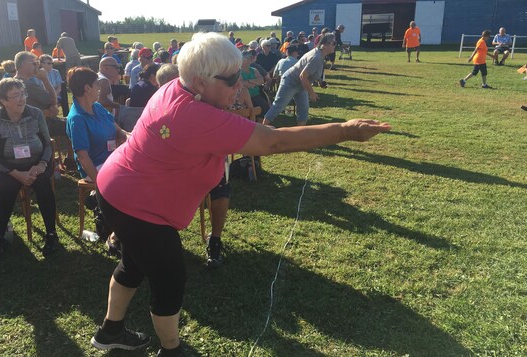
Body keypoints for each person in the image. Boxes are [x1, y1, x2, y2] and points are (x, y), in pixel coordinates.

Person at [88, 32, 391, 355]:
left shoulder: (175, 89)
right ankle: (172, 349)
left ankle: (111, 331)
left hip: (115, 187)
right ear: (200, 81)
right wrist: (345, 131)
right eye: (231, 79)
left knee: (133, 265)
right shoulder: (197, 116)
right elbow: (274, 142)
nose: (239, 85)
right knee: (169, 279)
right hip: (137, 204)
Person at [0, 78, 59, 257]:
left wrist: (41, 164)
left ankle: (51, 234)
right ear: (3, 101)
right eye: (15, 96)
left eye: (22, 94)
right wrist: (15, 173)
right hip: (7, 166)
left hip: (37, 162)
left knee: (43, 185)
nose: (21, 99)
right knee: (7, 189)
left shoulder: (36, 114)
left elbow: (48, 144)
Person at [65, 67, 129, 256]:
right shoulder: (77, 118)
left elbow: (119, 131)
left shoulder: (98, 107)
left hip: (114, 159)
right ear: (87, 88)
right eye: (96, 86)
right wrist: (100, 182)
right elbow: (83, 157)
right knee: (131, 186)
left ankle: (129, 232)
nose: (99, 89)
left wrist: (133, 139)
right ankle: (117, 237)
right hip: (96, 166)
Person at [263, 32, 337, 126]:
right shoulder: (316, 57)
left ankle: (300, 133)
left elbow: (311, 73)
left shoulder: (320, 54)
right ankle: (261, 128)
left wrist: (320, 81)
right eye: (333, 43)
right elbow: (303, 76)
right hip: (290, 82)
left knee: (303, 109)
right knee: (278, 106)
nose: (335, 45)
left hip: (301, 84)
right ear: (324, 45)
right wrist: (312, 93)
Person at [241, 50, 269, 115]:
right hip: (244, 96)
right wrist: (255, 82)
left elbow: (262, 80)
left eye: (250, 58)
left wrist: (249, 81)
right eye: (247, 58)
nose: (249, 60)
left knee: (264, 105)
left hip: (256, 95)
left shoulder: (254, 70)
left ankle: (261, 122)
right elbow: (242, 83)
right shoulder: (238, 71)